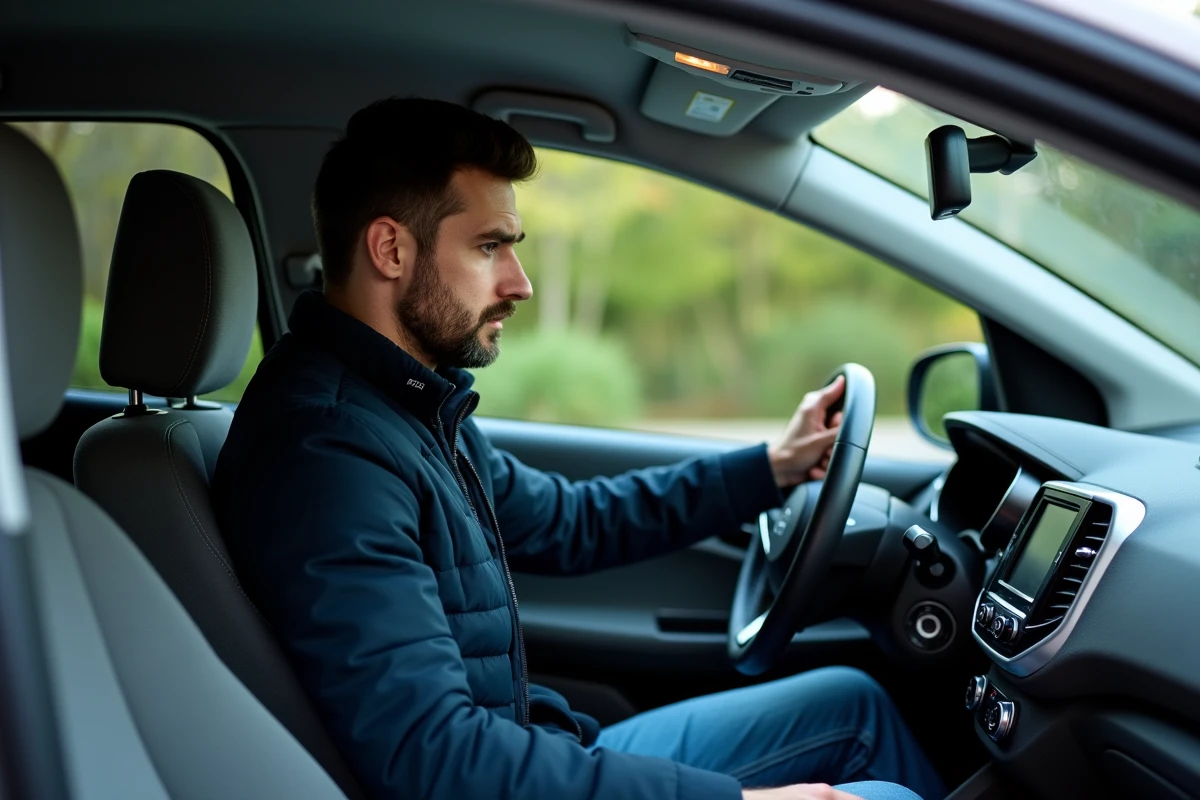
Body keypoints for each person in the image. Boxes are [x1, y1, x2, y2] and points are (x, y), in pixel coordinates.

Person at [212, 97, 945, 800]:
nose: (520, 283)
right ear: (390, 248)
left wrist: (771, 469)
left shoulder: (410, 404)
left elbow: (572, 520)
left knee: (854, 702)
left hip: (538, 755)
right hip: (496, 779)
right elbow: (433, 759)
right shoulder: (329, 453)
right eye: (489, 246)